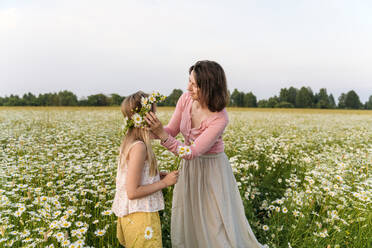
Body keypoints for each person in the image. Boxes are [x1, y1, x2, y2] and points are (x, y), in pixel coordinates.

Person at [145, 60, 263, 248]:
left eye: (194, 84)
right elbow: (172, 129)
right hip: (190, 169)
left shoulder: (219, 117)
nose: (188, 87)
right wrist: (145, 131)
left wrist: (161, 134)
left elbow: (191, 152)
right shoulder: (185, 99)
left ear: (208, 87)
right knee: (190, 215)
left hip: (212, 169)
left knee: (214, 220)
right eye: (189, 81)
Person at [112, 91, 179, 248]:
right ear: (147, 117)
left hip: (131, 217)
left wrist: (156, 176)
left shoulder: (130, 142)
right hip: (141, 218)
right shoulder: (139, 147)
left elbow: (133, 178)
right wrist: (165, 183)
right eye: (154, 114)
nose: (157, 119)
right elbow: (133, 192)